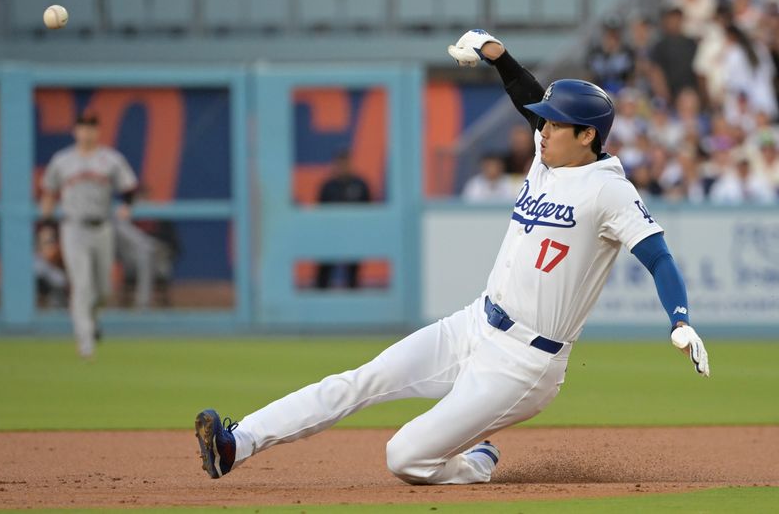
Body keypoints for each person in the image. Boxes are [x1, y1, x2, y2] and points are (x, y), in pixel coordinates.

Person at [194, 30, 710, 485]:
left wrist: (680, 322)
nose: (542, 128)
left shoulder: (609, 191)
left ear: (588, 136)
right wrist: (498, 56)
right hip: (474, 323)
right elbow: (531, 99)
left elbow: (659, 258)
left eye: (555, 124)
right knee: (358, 380)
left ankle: (476, 464)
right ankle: (237, 444)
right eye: (545, 121)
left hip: (525, 363)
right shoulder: (551, 156)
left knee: (404, 457)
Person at [40, 114, 138, 359]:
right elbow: (49, 194)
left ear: (98, 131)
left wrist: (127, 205)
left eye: (92, 127)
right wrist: (46, 229)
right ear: (75, 131)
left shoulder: (111, 159)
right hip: (73, 228)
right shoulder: (62, 161)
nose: (87, 132)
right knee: (82, 285)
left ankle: (91, 321)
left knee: (104, 290)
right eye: (83, 127)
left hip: (102, 227)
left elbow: (129, 188)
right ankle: (85, 342)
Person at [315, 150, 371, 289]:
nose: (343, 167)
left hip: (354, 233)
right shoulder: (328, 186)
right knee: (325, 267)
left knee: (353, 270)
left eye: (345, 163)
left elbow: (369, 209)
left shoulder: (360, 184)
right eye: (339, 164)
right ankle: (320, 294)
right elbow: (320, 210)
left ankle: (353, 293)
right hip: (331, 234)